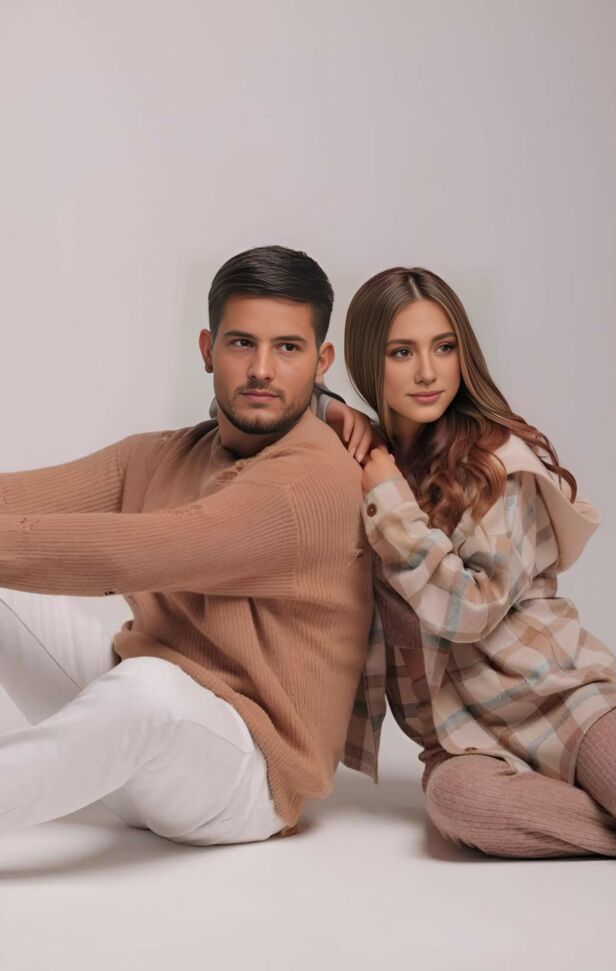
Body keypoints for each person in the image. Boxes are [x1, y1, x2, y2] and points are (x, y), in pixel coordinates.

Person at [0, 245, 372, 846]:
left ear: (321, 362)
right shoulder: (164, 454)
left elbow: (135, 554)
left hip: (243, 776)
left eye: (287, 348)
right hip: (135, 732)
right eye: (242, 343)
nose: (262, 369)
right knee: (22, 603)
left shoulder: (310, 481)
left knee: (149, 692)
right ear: (207, 350)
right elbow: (17, 500)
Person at [324, 266, 616, 858]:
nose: (428, 371)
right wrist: (329, 409)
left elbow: (469, 609)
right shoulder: (368, 461)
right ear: (369, 363)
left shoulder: (496, 462)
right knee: (458, 805)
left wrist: (389, 499)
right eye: (402, 352)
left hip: (564, 701)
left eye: (444, 347)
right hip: (464, 739)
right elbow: (243, 413)